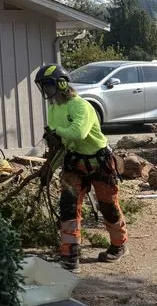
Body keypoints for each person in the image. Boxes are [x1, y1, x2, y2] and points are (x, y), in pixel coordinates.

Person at [34, 63, 128, 271]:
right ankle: (70, 255)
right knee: (68, 207)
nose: (46, 92)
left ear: (61, 84)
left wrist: (56, 130)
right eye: (43, 87)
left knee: (108, 206)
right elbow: (60, 143)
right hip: (75, 161)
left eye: (47, 86)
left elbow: (78, 134)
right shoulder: (53, 108)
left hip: (100, 161)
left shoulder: (81, 106)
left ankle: (119, 245)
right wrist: (49, 169)